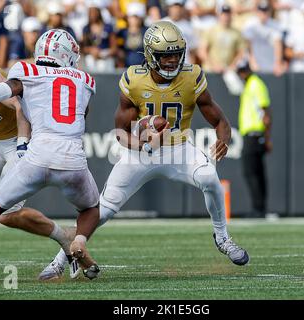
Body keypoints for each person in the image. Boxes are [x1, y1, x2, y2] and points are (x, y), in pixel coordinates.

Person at [44, 21, 250, 274]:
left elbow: (219, 119)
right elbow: (120, 133)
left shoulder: (192, 76)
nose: (173, 61)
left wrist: (223, 138)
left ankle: (222, 237)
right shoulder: (134, 79)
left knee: (209, 177)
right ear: (151, 56)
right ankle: (62, 257)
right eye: (166, 56)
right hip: (140, 153)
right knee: (104, 209)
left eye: (176, 54)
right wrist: (141, 143)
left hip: (178, 148)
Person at [0, 29, 100, 282]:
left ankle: (63, 236)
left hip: (24, 137)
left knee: (6, 214)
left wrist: (23, 143)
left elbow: (16, 105)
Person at [236, 60, 272, 219]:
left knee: (251, 172)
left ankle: (259, 208)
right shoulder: (250, 84)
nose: (242, 73)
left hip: (255, 134)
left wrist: (267, 137)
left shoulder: (255, 84)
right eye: (240, 71)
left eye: (244, 70)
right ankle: (260, 208)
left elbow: (266, 114)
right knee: (256, 172)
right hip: (252, 135)